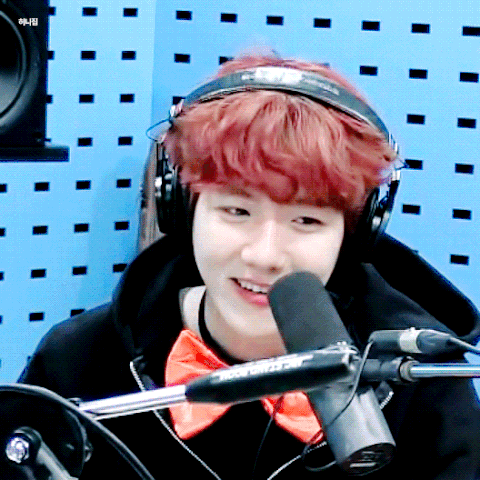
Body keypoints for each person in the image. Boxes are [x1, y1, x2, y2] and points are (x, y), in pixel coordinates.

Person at [18, 54, 480, 480]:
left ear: (353, 235)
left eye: (306, 220)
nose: (264, 255)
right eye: (237, 211)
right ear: (182, 209)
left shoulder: (418, 382)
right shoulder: (79, 361)